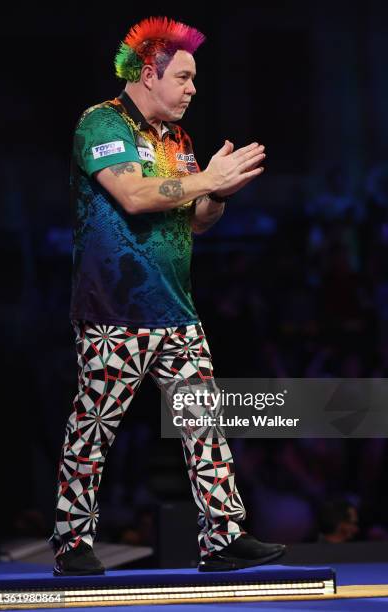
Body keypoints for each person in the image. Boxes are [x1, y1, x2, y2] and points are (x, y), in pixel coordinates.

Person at [49, 16, 286, 576]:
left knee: (206, 425)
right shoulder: (100, 123)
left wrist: (219, 193)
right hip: (112, 314)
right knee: (93, 427)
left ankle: (223, 538)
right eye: (183, 76)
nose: (193, 88)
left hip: (176, 312)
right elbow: (132, 193)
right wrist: (206, 181)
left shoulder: (177, 140)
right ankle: (71, 542)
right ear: (149, 73)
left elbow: (195, 221)